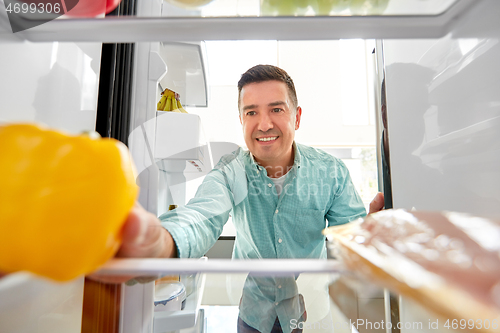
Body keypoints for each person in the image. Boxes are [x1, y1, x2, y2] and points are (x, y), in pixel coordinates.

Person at [116, 65, 385, 332]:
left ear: (297, 117)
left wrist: (368, 240)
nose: (264, 124)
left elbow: (350, 239)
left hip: (311, 311)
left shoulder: (331, 172)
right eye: (251, 112)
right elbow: (202, 215)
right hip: (254, 315)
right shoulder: (230, 169)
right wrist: (162, 241)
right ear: (242, 120)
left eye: (276, 109)